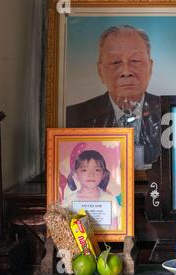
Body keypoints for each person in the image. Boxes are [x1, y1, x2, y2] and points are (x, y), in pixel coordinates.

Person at [66, 25, 161, 169]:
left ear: (151, 67)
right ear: (100, 71)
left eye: (135, 61)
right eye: (115, 62)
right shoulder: (74, 117)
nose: (126, 72)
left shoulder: (169, 113)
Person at [63, 150, 120, 230]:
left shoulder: (110, 200)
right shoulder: (69, 202)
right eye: (84, 170)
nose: (91, 175)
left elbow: (115, 230)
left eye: (97, 170)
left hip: (106, 242)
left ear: (103, 174)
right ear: (75, 175)